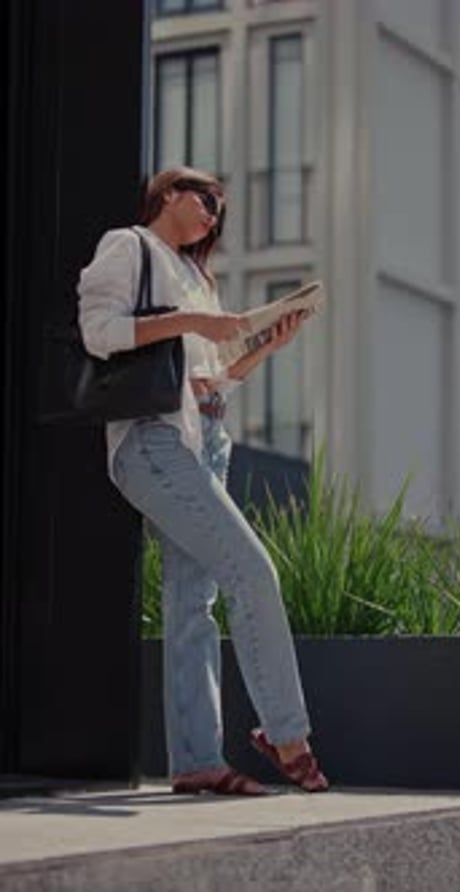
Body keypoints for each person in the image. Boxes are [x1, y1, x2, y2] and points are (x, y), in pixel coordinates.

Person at [78, 166, 328, 795]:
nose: (215, 213)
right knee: (254, 570)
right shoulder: (129, 246)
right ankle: (287, 731)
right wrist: (191, 324)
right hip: (153, 440)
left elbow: (210, 382)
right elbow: (99, 333)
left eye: (221, 208)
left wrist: (265, 346)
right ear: (169, 195)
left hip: (206, 440)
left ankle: (195, 761)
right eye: (208, 199)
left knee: (194, 606)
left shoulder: (198, 279)